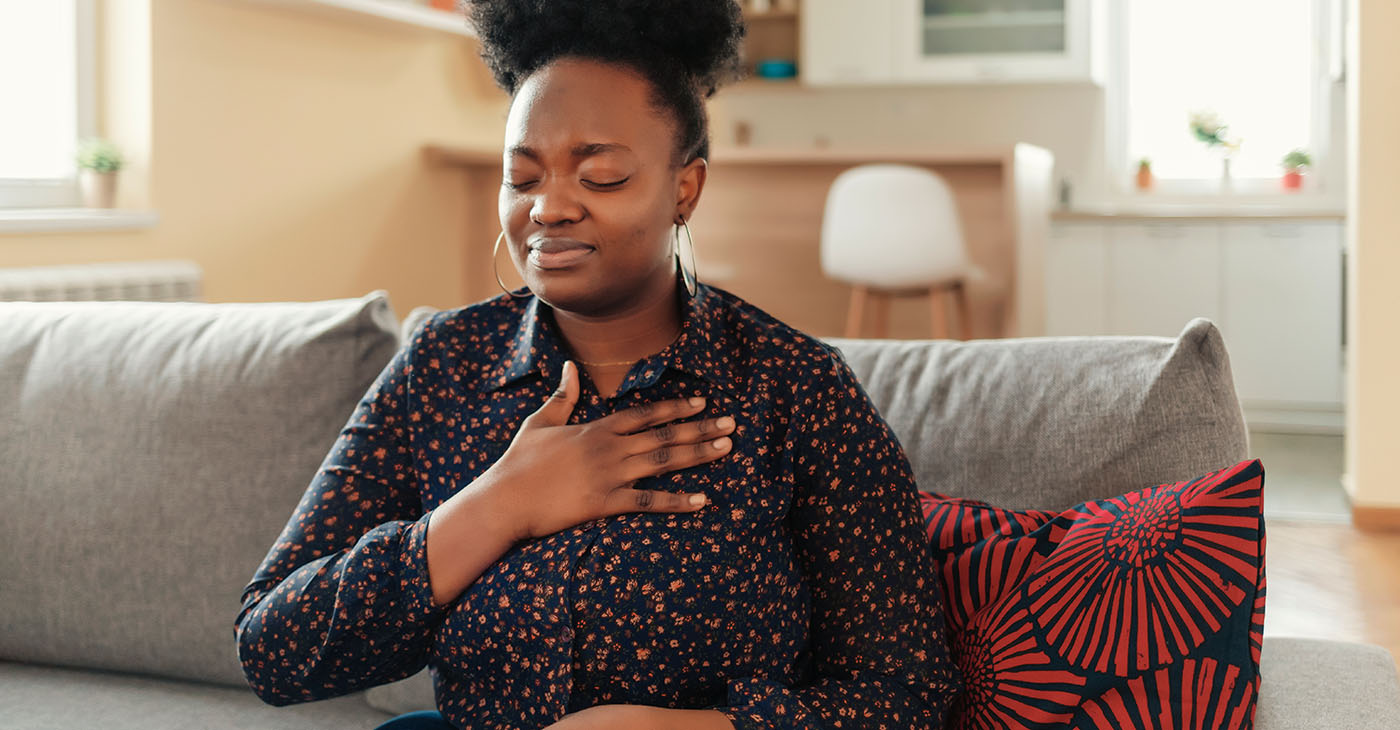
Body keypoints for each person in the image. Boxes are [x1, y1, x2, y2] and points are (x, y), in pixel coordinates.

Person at [233, 1, 961, 728]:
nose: (548, 208)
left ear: (686, 189)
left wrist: (674, 728)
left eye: (601, 176)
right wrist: (498, 506)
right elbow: (272, 649)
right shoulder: (443, 368)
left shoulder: (796, 390)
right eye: (522, 179)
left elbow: (910, 695)